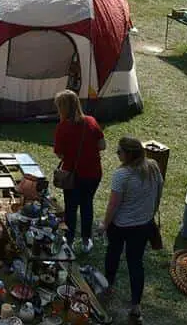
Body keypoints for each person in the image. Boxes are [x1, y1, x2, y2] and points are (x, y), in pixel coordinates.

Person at [100, 136, 163, 325]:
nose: (117, 154)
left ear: (128, 154)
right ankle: (136, 306)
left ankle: (108, 285)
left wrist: (104, 224)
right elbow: (159, 191)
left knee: (113, 254)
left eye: (119, 152)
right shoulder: (153, 166)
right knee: (136, 263)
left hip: (120, 225)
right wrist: (150, 212)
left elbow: (113, 205)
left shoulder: (122, 175)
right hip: (143, 225)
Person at [53, 90, 106, 253]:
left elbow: (59, 153)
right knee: (87, 205)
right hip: (93, 173)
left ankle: (68, 240)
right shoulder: (91, 121)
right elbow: (102, 145)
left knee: (71, 207)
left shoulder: (63, 127)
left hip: (73, 175)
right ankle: (86, 240)